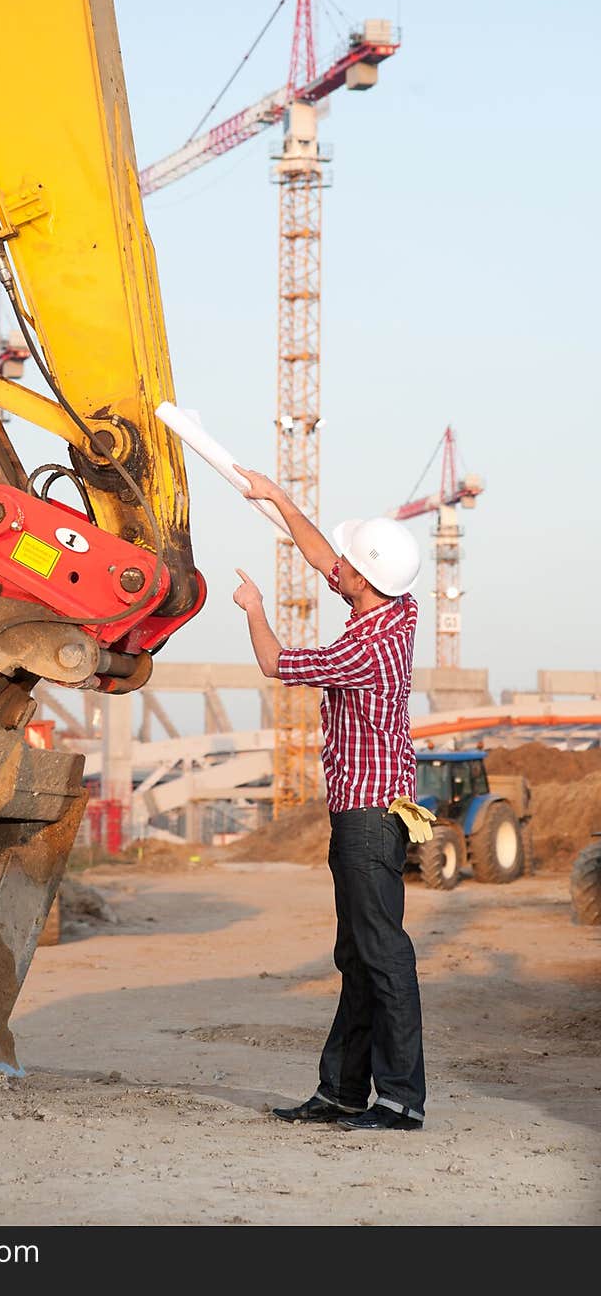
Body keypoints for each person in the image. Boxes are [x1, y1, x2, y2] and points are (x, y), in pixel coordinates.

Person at [232, 466, 430, 1132]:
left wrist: (256, 608)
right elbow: (325, 556)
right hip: (376, 813)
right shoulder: (395, 612)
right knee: (359, 956)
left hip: (367, 820)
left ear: (364, 580)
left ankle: (400, 1100)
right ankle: (344, 1091)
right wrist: (279, 499)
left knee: (382, 954)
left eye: (347, 564)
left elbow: (274, 664)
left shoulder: (364, 651)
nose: (334, 566)